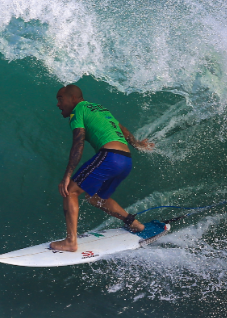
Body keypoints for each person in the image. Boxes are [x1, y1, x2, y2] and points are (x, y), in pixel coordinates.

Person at [51, 84, 154, 252]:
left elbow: (78, 144)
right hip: (126, 161)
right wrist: (137, 144)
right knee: (96, 198)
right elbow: (121, 128)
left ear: (74, 99)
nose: (57, 104)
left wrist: (67, 175)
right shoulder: (100, 109)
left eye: (60, 99)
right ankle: (134, 224)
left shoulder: (78, 110)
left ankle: (71, 241)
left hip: (110, 157)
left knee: (70, 191)